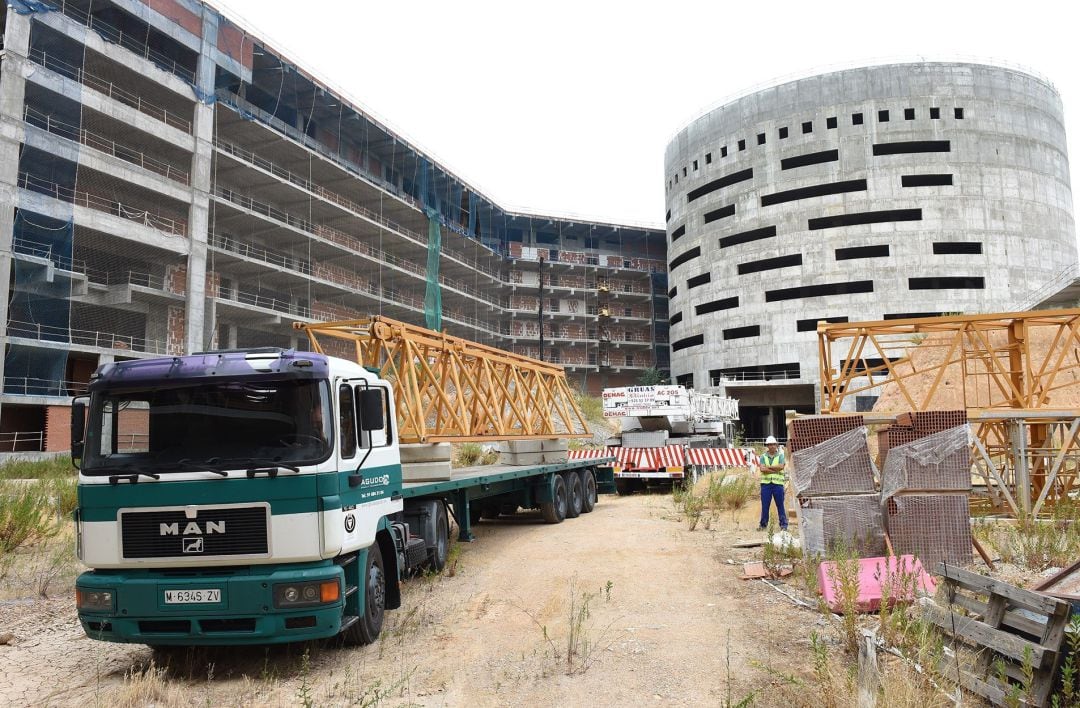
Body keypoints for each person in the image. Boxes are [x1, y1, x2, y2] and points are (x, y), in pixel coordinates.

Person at [758, 435, 787, 531]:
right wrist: (775, 469)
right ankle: (763, 525)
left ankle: (783, 525)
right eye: (769, 445)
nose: (771, 446)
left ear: (776, 445)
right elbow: (762, 469)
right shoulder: (763, 456)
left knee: (780, 505)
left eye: (773, 444)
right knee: (765, 506)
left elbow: (781, 466)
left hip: (778, 485)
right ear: (767, 446)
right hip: (766, 485)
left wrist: (768, 468)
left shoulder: (781, 456)